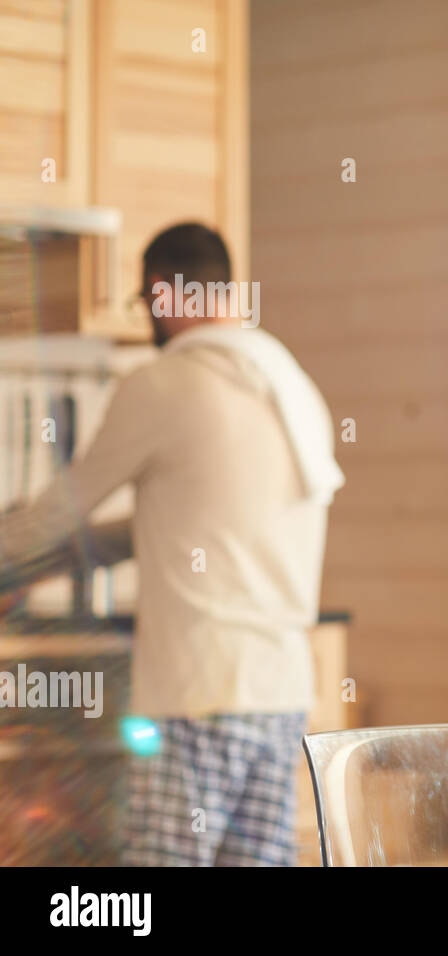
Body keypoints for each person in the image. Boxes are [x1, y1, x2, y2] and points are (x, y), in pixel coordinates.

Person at [0, 222, 343, 864]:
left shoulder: (161, 386)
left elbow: (55, 515)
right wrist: (56, 557)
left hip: (198, 691)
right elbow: (173, 528)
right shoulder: (294, 386)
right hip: (280, 692)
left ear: (162, 292)